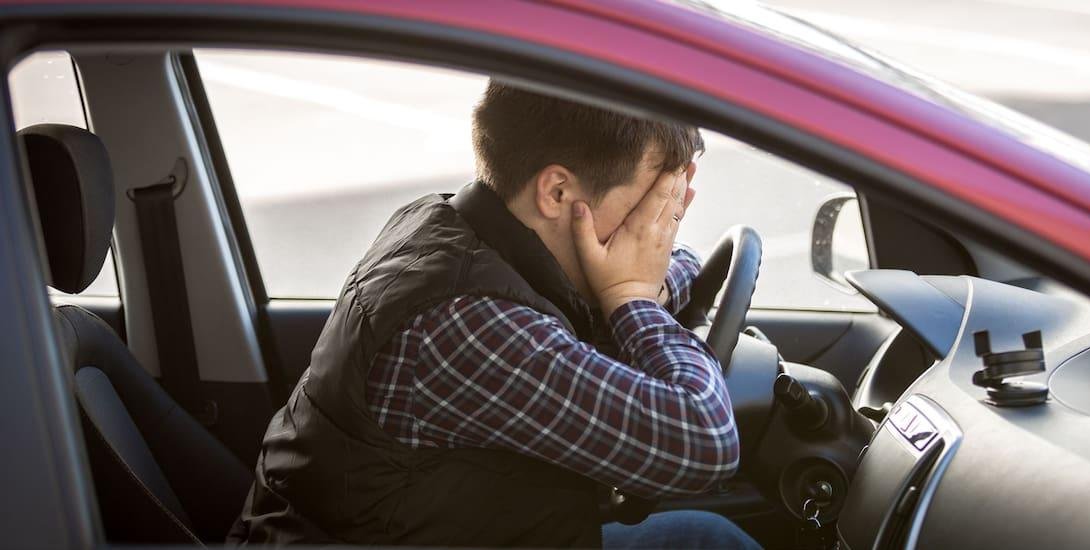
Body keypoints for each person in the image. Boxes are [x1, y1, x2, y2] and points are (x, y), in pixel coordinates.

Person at [229, 81, 759, 549]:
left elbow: (671, 261)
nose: (659, 223)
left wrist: (640, 283)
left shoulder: (453, 223)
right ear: (557, 191)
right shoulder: (466, 322)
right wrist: (633, 299)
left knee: (709, 538)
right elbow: (705, 445)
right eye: (650, 202)